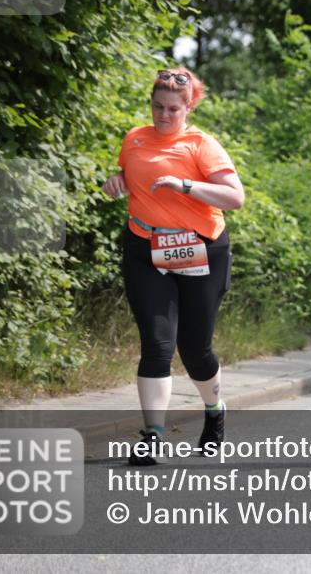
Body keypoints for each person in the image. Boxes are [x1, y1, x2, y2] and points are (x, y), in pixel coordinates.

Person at [102, 67, 244, 466]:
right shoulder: (134, 139)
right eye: (157, 107)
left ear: (188, 107)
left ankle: (214, 412)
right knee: (157, 344)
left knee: (195, 349)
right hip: (146, 247)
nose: (164, 116)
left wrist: (185, 186)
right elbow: (131, 175)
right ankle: (153, 436)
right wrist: (117, 181)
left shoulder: (202, 145)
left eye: (172, 110)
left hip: (201, 249)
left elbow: (235, 197)